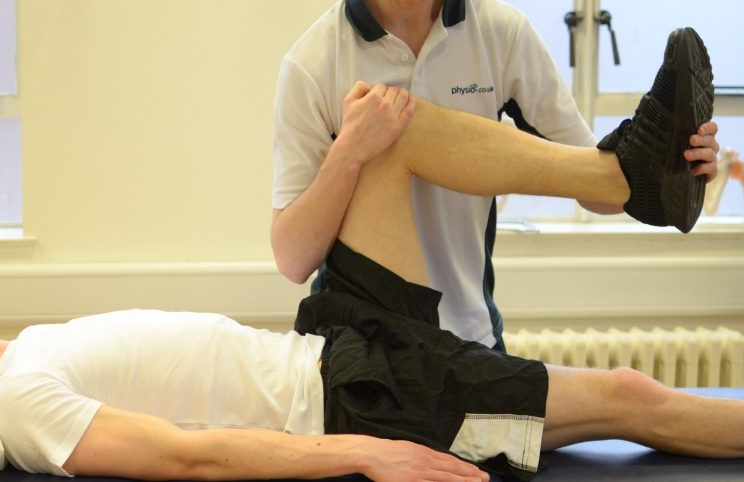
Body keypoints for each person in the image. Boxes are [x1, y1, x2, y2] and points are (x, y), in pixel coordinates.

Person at [0, 29, 743, 482]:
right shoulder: (17, 406)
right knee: (632, 397)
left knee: (387, 122)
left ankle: (632, 174)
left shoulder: (28, 351)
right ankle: (636, 178)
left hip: (330, 343)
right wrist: (365, 456)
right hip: (365, 403)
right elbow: (190, 457)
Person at [270, 0, 722, 350]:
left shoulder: (501, 33)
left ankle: (646, 170)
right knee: (397, 121)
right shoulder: (313, 62)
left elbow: (595, 186)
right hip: (362, 343)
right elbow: (292, 260)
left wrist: (683, 158)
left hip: (471, 340)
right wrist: (349, 152)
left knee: (631, 394)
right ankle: (643, 170)